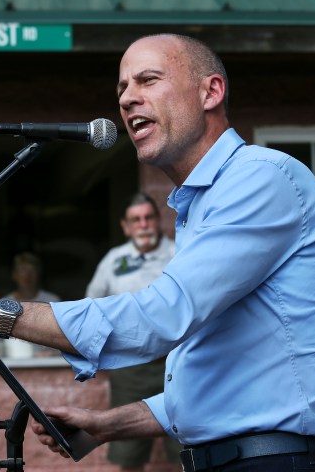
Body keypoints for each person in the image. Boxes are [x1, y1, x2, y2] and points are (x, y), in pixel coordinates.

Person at [0, 33, 315, 472]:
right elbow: (223, 386)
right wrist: (107, 424)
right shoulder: (201, 205)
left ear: (210, 92)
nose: (126, 100)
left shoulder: (260, 180)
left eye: (147, 80)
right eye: (122, 88)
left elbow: (158, 318)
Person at [86, 192, 179, 472]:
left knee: (185, 450)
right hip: (129, 367)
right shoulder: (114, 260)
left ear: (159, 221)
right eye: (135, 220)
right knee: (128, 453)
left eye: (148, 217)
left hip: (178, 364)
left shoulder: (179, 253)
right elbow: (91, 305)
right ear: (125, 227)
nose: (143, 224)